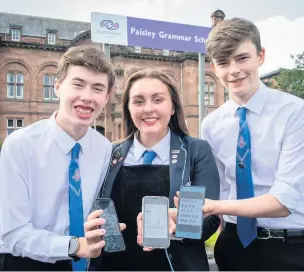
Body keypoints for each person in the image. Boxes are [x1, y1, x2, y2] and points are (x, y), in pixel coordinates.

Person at [0, 45, 125, 271]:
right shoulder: (20, 146)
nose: (87, 97)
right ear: (57, 86)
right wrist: (75, 246)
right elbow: (12, 233)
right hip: (26, 263)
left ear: (107, 97)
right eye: (78, 84)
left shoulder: (105, 150)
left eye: (97, 88)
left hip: (86, 264)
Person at [85, 69, 220, 271]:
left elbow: (210, 216)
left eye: (158, 100)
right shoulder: (109, 154)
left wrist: (178, 225)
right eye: (138, 101)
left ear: (173, 107)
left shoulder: (196, 151)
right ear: (128, 108)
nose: (148, 109)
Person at [199, 18, 304, 271]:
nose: (233, 70)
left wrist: (214, 207)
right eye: (224, 62)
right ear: (214, 67)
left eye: (242, 58)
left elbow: (283, 201)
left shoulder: (295, 113)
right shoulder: (211, 124)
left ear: (261, 56)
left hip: (289, 249)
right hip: (233, 247)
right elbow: (221, 187)